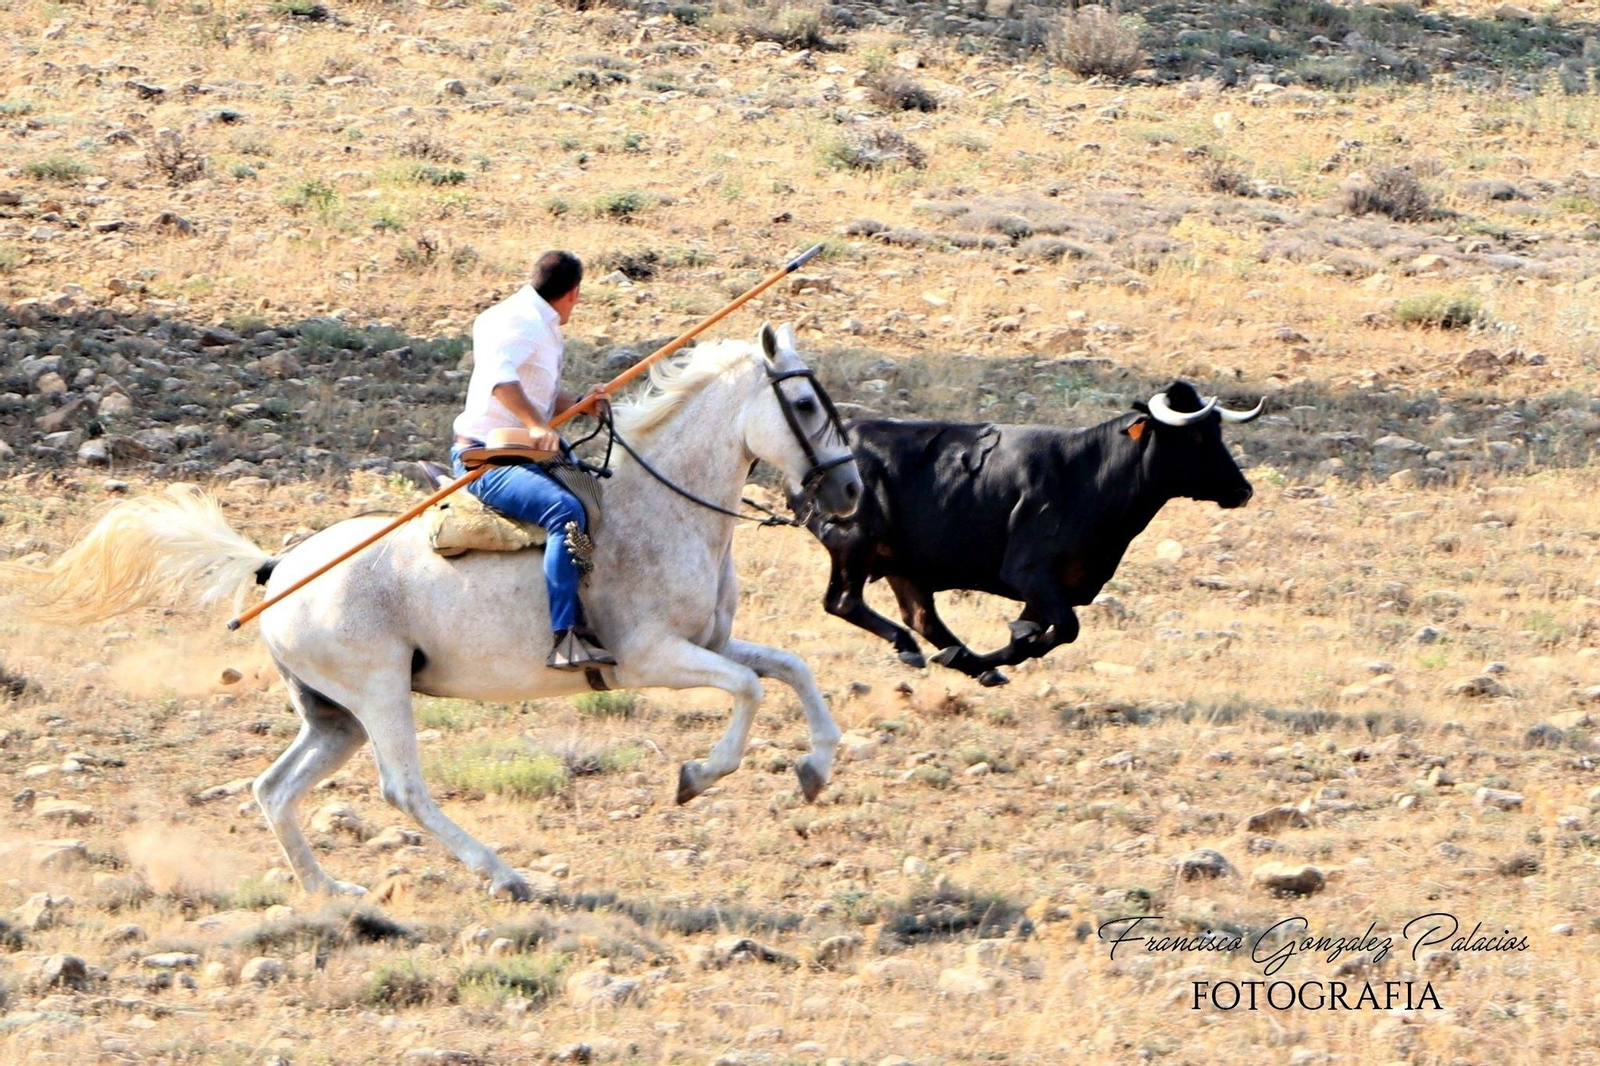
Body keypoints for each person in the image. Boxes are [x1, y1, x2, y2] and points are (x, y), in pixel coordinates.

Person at [450, 251, 615, 670]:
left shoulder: (537, 320)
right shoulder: (519, 320)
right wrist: (535, 424)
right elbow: (498, 380)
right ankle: (566, 637)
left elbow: (536, 393)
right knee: (566, 511)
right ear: (574, 293)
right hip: (488, 459)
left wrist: (578, 404)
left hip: (524, 450)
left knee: (595, 494)